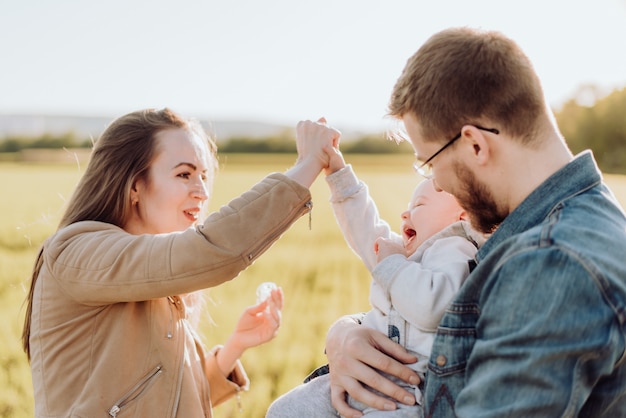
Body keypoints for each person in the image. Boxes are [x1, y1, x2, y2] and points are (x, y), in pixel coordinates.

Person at [323, 26, 626, 418]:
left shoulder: (551, 262)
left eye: (429, 163)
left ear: (475, 145)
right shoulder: (567, 225)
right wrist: (345, 334)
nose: (435, 182)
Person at [21, 108, 339, 417]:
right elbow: (211, 249)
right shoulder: (75, 251)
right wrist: (306, 166)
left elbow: (156, 400)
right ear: (134, 186)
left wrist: (233, 349)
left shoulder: (154, 278)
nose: (201, 191)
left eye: (203, 175)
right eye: (184, 174)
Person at [266, 142, 486, 417]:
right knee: (286, 409)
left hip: (404, 395)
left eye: (419, 205)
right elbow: (366, 228)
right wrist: (339, 175)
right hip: (362, 377)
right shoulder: (405, 256)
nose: (405, 214)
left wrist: (393, 262)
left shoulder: (454, 249)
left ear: (463, 217)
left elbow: (431, 309)